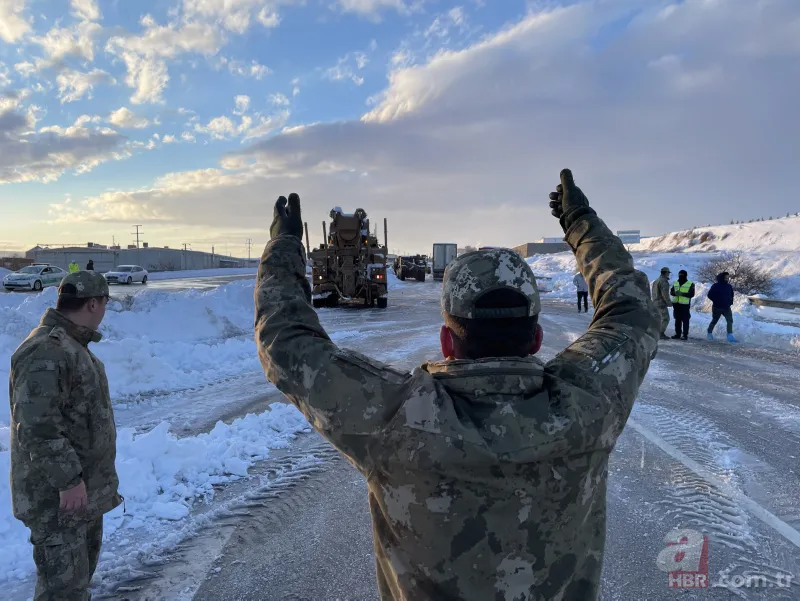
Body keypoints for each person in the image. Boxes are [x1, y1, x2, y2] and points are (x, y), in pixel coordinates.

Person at [254, 169, 658, 600]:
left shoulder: (397, 419)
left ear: (447, 341)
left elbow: (287, 341)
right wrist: (581, 221)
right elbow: (631, 313)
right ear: (537, 338)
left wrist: (284, 244)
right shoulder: (586, 405)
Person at [9, 271, 122, 601]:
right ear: (92, 303)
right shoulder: (47, 350)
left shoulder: (73, 345)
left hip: (80, 495)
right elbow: (37, 426)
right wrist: (68, 480)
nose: (103, 312)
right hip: (58, 500)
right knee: (62, 592)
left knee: (76, 584)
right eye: (103, 304)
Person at [707, 271, 737, 342]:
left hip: (726, 307)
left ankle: (729, 334)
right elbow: (709, 295)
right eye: (725, 277)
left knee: (729, 320)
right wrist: (716, 300)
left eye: (727, 277)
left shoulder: (729, 286)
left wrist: (730, 302)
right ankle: (709, 332)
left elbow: (731, 295)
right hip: (717, 307)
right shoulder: (715, 286)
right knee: (715, 320)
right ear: (721, 278)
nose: (727, 279)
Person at [670, 269, 695, 340]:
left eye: (682, 275)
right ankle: (677, 334)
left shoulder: (690, 284)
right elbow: (671, 292)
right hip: (676, 304)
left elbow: (692, 294)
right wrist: (674, 293)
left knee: (685, 320)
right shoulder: (676, 283)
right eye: (680, 275)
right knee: (677, 320)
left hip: (685, 305)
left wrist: (682, 294)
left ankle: (685, 335)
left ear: (685, 275)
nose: (681, 276)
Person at [651, 267, 673, 340]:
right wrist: (669, 303)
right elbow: (665, 294)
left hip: (655, 302)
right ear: (666, 273)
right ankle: (660, 333)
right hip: (661, 303)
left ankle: (654, 333)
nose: (668, 274)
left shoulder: (656, 281)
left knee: (658, 319)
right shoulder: (664, 281)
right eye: (668, 273)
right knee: (666, 319)